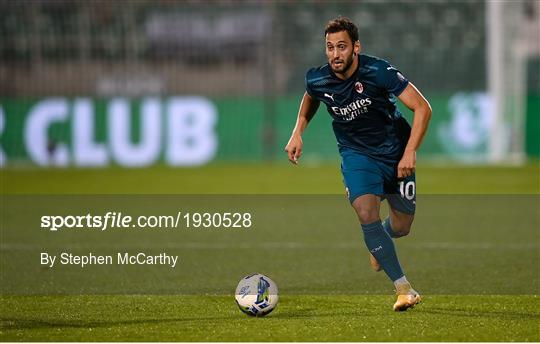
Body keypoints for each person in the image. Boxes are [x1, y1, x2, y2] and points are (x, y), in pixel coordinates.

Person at [285, 16, 432, 311]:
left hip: (396, 153)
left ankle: (383, 240)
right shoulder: (317, 77)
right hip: (356, 155)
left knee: (402, 226)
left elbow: (422, 108)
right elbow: (311, 96)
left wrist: (410, 151)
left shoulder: (378, 71)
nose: (335, 54)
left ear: (356, 47)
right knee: (366, 211)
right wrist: (297, 131)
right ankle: (404, 289)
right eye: (329, 47)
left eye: (341, 47)